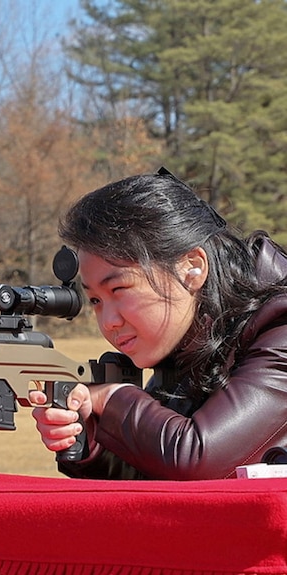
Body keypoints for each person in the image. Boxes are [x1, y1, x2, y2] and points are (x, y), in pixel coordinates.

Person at [29, 169, 287, 480]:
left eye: (119, 290)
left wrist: (111, 399)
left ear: (192, 268)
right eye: (95, 301)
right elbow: (153, 479)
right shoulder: (190, 340)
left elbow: (197, 458)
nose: (109, 322)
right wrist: (90, 436)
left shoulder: (279, 325)